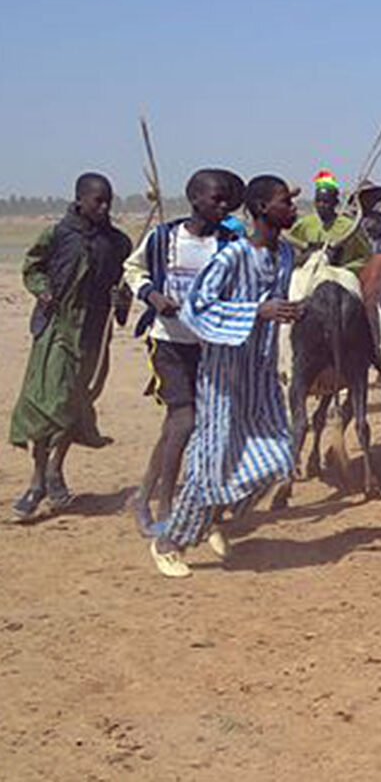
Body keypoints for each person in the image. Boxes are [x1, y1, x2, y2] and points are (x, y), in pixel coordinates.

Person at [149, 175, 304, 577]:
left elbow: (275, 303)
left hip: (262, 373)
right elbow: (196, 308)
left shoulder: (285, 255)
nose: (293, 209)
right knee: (212, 464)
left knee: (278, 456)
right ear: (260, 210)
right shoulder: (232, 257)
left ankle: (210, 517)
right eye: (285, 202)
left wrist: (291, 310)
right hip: (224, 377)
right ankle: (168, 543)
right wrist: (256, 312)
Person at [124, 169, 243, 534]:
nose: (223, 206)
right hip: (168, 342)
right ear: (195, 199)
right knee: (184, 420)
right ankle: (165, 508)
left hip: (210, 347)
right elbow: (132, 269)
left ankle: (143, 497)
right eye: (216, 199)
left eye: (227, 200)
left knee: (179, 428)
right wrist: (152, 296)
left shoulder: (228, 245)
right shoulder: (164, 238)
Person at [10, 173, 133, 522]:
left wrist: (120, 298)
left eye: (109, 201)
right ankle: (36, 482)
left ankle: (55, 471)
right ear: (80, 200)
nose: (105, 207)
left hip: (93, 336)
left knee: (74, 405)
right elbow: (31, 266)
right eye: (98, 201)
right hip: (55, 330)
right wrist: (43, 290)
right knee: (45, 405)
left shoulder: (119, 243)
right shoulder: (58, 233)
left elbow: (126, 286)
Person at [288, 170, 371, 273]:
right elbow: (287, 246)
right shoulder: (305, 224)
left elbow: (364, 256)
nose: (321, 205)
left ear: (335, 203)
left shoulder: (348, 226)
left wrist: (344, 270)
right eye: (318, 201)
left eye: (326, 202)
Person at [356, 181, 381, 255]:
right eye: (367, 197)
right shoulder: (352, 218)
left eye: (373, 197)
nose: (371, 200)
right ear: (359, 199)